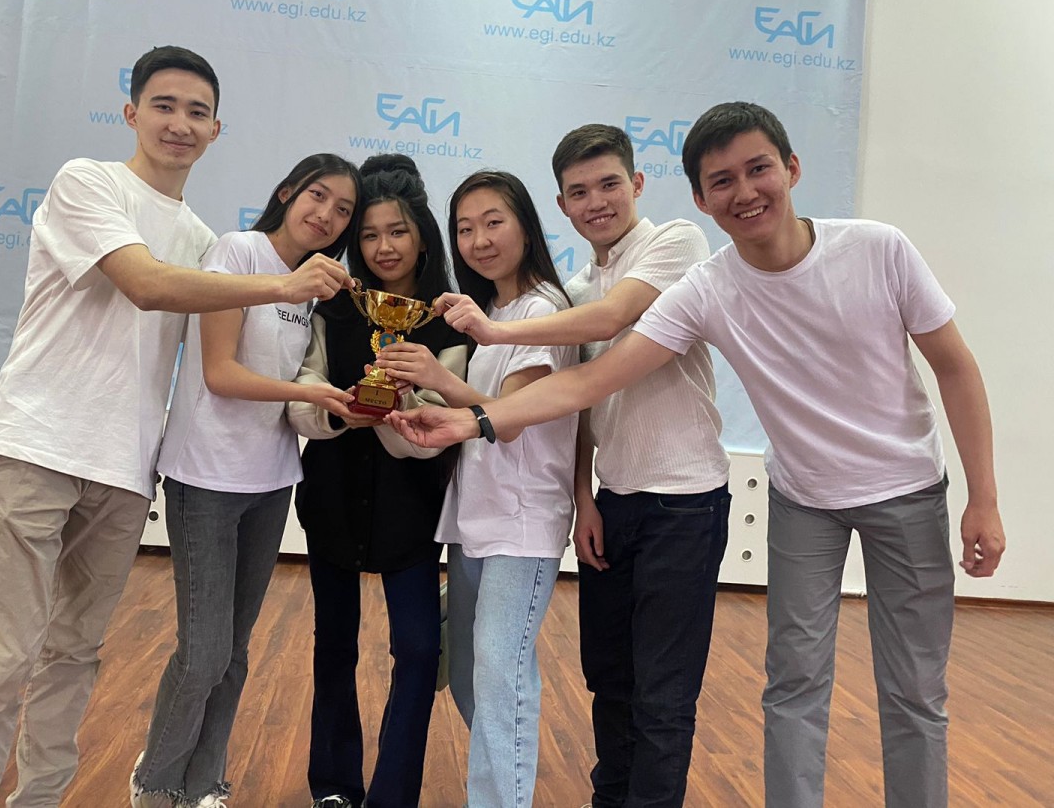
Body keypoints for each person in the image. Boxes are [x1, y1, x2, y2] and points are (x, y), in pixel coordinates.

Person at [388, 102, 1007, 808]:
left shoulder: (843, 249)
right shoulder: (699, 287)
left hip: (860, 493)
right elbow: (589, 387)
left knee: (910, 692)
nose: (744, 192)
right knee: (773, 687)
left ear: (792, 168)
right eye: (722, 181)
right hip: (782, 501)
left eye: (758, 170)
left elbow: (954, 366)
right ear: (701, 195)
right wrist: (476, 425)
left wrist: (983, 498)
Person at [0, 46, 352, 808]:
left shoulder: (202, 238)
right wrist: (281, 285)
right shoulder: (88, 183)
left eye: (198, 112)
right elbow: (145, 285)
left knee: (73, 657)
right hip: (31, 448)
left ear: (217, 130)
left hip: (125, 471)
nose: (180, 123)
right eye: (164, 105)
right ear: (131, 112)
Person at [433, 128, 731, 807]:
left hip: (686, 501)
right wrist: (584, 498)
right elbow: (577, 408)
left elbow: (612, 319)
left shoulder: (675, 242)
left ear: (637, 183)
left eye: (608, 184)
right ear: (562, 205)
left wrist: (491, 333)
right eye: (578, 192)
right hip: (614, 500)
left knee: (662, 693)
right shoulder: (573, 291)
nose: (596, 202)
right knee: (609, 680)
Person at [128, 154, 361, 808]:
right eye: (318, 195)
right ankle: (155, 783)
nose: (327, 215)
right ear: (287, 192)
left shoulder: (313, 287)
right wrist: (309, 393)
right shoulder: (238, 252)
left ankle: (206, 784)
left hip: (271, 480)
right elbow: (221, 374)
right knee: (202, 653)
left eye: (343, 210)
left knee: (233, 653)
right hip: (204, 476)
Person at [376, 170, 578, 807]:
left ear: (526, 226)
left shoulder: (544, 309)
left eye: (494, 222)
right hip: (474, 520)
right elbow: (477, 418)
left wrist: (438, 377)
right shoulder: (493, 313)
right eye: (465, 229)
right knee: (468, 674)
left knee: (500, 678)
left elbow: (508, 419)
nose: (479, 240)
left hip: (522, 521)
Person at [287, 154, 467, 808]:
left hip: (412, 508)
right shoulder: (331, 308)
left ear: (422, 235)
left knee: (418, 650)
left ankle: (393, 795)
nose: (383, 247)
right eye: (368, 234)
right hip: (332, 497)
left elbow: (445, 419)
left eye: (397, 231)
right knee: (333, 644)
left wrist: (400, 405)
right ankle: (333, 787)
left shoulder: (450, 319)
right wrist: (341, 410)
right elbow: (302, 393)